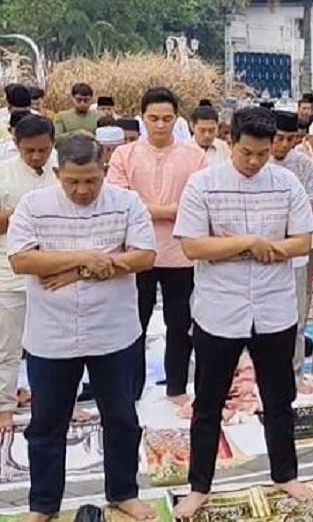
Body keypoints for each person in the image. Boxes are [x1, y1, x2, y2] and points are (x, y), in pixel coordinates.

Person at [170, 107, 313, 517]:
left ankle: (285, 474)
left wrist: (266, 247)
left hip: (273, 308)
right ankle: (199, 486)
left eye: (263, 154)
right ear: (229, 142)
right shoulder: (204, 184)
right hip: (220, 308)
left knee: (279, 396)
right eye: (247, 153)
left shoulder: (286, 183)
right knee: (209, 401)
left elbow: (302, 242)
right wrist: (249, 243)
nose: (254, 162)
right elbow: (194, 246)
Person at [6, 133, 157, 522]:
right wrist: (91, 258)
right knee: (46, 423)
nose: (82, 189)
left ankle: (123, 492)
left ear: (105, 171)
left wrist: (73, 271)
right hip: (51, 336)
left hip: (114, 331)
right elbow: (22, 261)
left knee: (121, 416)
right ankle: (43, 504)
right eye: (73, 181)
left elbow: (144, 255)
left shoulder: (126, 203)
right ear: (57, 173)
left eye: (91, 180)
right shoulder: (34, 205)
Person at [106, 88, 207, 405]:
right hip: (138, 253)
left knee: (180, 325)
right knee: (134, 323)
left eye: (166, 118)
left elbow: (199, 204)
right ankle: (130, 388)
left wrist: (147, 209)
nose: (160, 125)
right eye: (153, 118)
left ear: (176, 119)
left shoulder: (195, 157)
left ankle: (176, 387)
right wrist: (170, 211)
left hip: (181, 254)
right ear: (142, 118)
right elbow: (119, 201)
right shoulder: (126, 154)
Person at [0, 116, 58, 432]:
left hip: (54, 272)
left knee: (54, 346)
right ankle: (4, 407)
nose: (37, 157)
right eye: (29, 151)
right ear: (17, 145)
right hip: (9, 274)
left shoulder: (62, 172)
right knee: (7, 347)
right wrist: (26, 214)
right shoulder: (5, 173)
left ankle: (55, 402)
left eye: (43, 150)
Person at [268, 110, 313, 391]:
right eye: (279, 138)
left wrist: (291, 205)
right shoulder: (257, 161)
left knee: (298, 316)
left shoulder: (303, 163)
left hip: (297, 251)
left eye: (290, 139)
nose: (284, 145)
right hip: (264, 253)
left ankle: (296, 374)